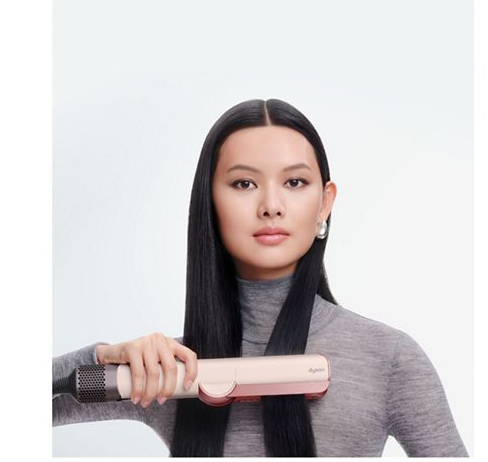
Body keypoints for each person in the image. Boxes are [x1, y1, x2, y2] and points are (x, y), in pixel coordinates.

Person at [53, 99, 465, 456]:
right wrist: (102, 359)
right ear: (209, 203)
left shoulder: (388, 359)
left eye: (295, 182)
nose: (271, 205)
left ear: (325, 203)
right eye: (244, 183)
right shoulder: (164, 377)